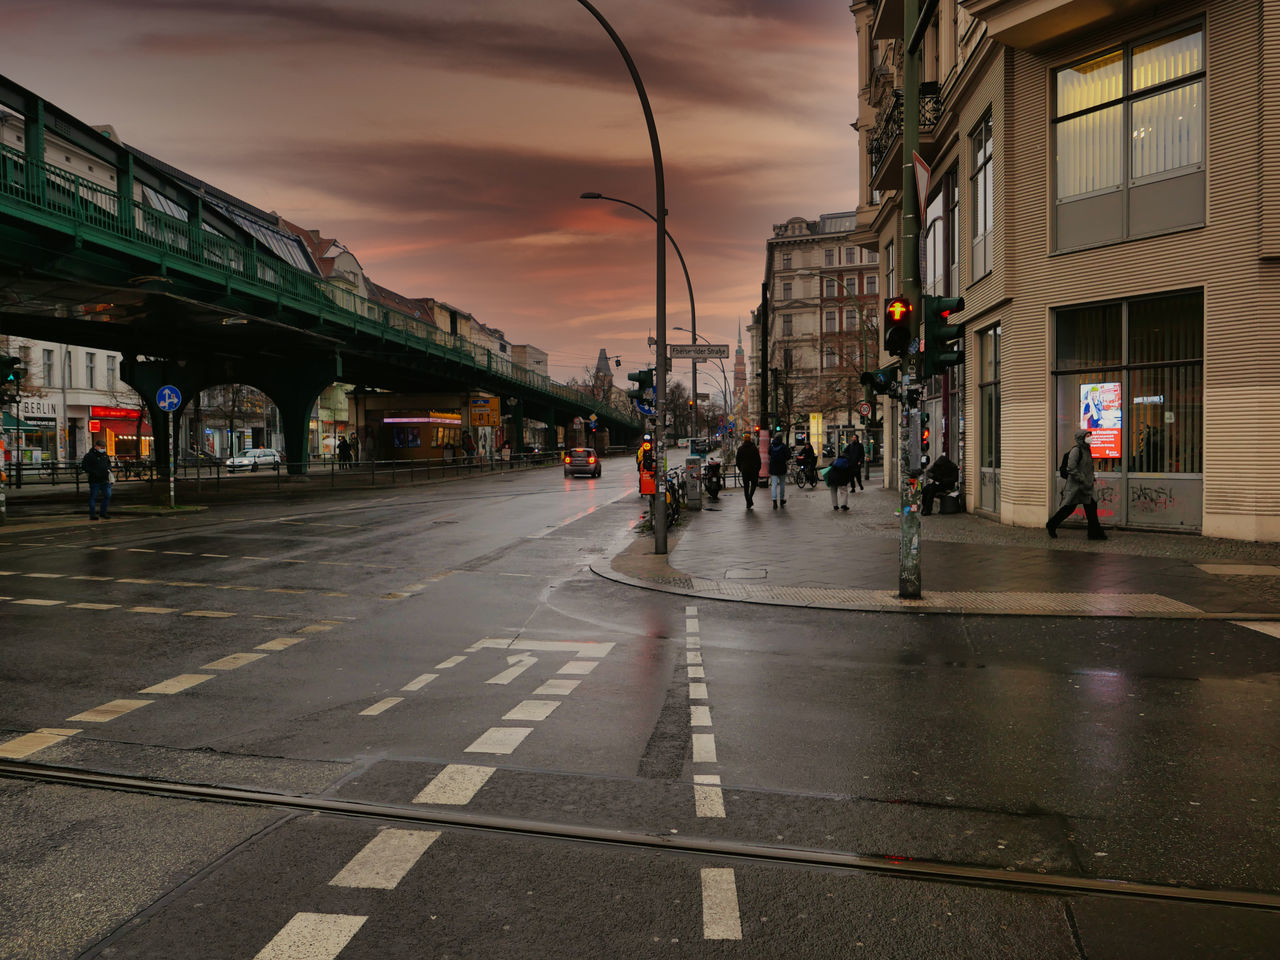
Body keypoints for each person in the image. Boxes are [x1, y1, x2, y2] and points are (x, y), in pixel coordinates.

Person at [1047, 428, 1107, 540]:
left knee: (1091, 508)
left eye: (1090, 435)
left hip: (1086, 487)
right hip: (1077, 486)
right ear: (1081, 438)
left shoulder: (1087, 450)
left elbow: (1086, 468)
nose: (1090, 438)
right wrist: (1082, 479)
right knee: (1068, 509)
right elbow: (1071, 468)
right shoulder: (1076, 451)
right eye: (1087, 436)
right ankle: (1051, 525)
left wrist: (1090, 478)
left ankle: (1094, 533)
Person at [81, 438, 113, 521]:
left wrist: (109, 469)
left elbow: (108, 463)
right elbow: (85, 466)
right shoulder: (89, 455)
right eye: (101, 447)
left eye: (104, 447)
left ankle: (103, 512)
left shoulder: (105, 455)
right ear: (96, 447)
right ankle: (93, 514)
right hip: (95, 480)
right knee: (93, 497)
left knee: (107, 495)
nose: (103, 449)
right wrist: (94, 472)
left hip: (105, 479)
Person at [735, 436, 761, 510]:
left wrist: (740, 468)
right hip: (753, 470)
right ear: (750, 440)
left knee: (746, 487)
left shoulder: (740, 449)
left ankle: (748, 502)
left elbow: (737, 461)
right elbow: (758, 460)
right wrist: (758, 469)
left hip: (744, 470)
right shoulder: (754, 448)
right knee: (753, 484)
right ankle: (749, 499)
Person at [767, 433, 790, 509]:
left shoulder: (771, 446)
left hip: (773, 467)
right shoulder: (783, 446)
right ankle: (781, 500)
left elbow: (769, 453)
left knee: (774, 485)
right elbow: (788, 456)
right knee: (782, 484)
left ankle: (774, 501)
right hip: (782, 467)